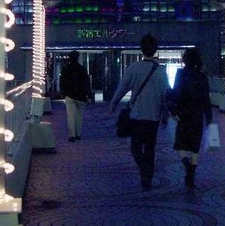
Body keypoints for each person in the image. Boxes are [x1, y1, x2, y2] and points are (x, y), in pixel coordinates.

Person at [108, 35, 173, 189]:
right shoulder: (162, 71)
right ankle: (147, 176)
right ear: (155, 50)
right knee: (150, 148)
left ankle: (144, 170)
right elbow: (165, 95)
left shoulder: (134, 68)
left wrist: (113, 104)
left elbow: (122, 88)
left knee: (135, 147)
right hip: (154, 117)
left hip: (137, 115)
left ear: (141, 49)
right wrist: (165, 114)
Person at [169, 47, 214, 189]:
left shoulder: (181, 74)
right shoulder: (202, 77)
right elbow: (206, 98)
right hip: (197, 115)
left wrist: (174, 110)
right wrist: (209, 117)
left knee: (180, 144)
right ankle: (191, 173)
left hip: (184, 114)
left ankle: (186, 165)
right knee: (195, 146)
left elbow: (176, 93)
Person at [58, 52, 93, 141]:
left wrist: (63, 93)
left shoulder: (65, 69)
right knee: (79, 116)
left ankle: (72, 135)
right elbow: (86, 83)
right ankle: (78, 134)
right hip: (81, 96)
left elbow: (62, 82)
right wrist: (89, 95)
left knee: (70, 116)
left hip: (69, 95)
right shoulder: (82, 69)